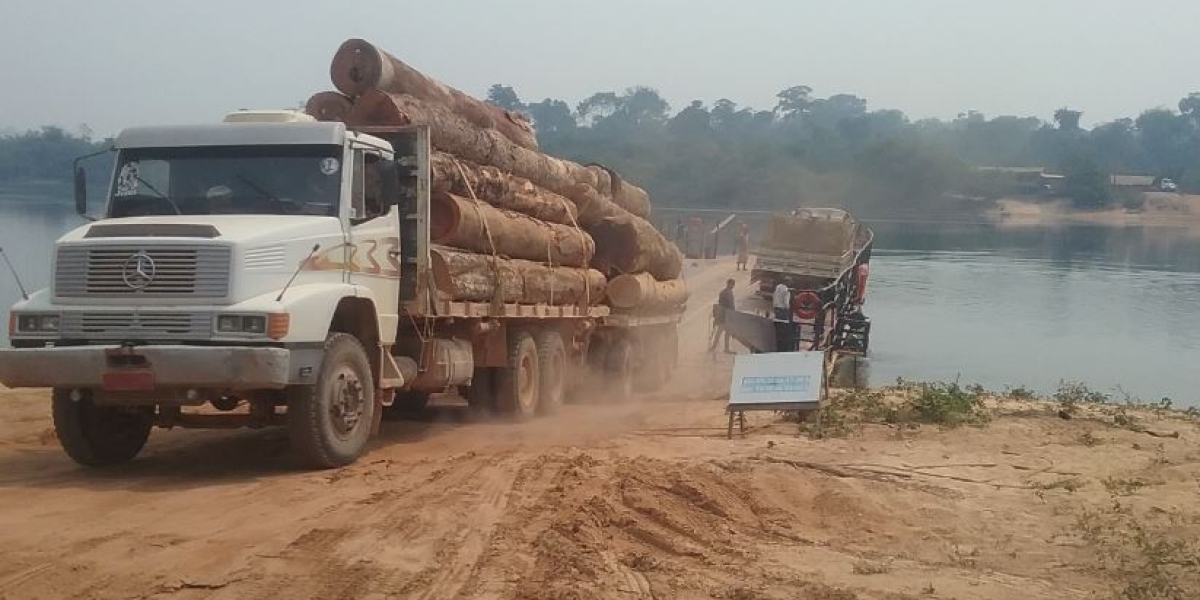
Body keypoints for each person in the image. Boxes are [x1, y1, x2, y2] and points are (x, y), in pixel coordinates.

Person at [710, 278, 736, 354]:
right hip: (725, 316)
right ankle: (718, 348)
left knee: (724, 333)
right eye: (732, 284)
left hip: (725, 316)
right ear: (728, 284)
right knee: (721, 332)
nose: (733, 286)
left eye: (733, 285)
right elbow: (729, 306)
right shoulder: (727, 293)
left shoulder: (725, 292)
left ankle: (718, 348)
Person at [772, 282, 795, 352]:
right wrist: (788, 309)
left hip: (776, 309)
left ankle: (778, 345)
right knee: (784, 329)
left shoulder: (776, 289)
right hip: (783, 310)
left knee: (778, 329)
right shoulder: (786, 292)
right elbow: (786, 303)